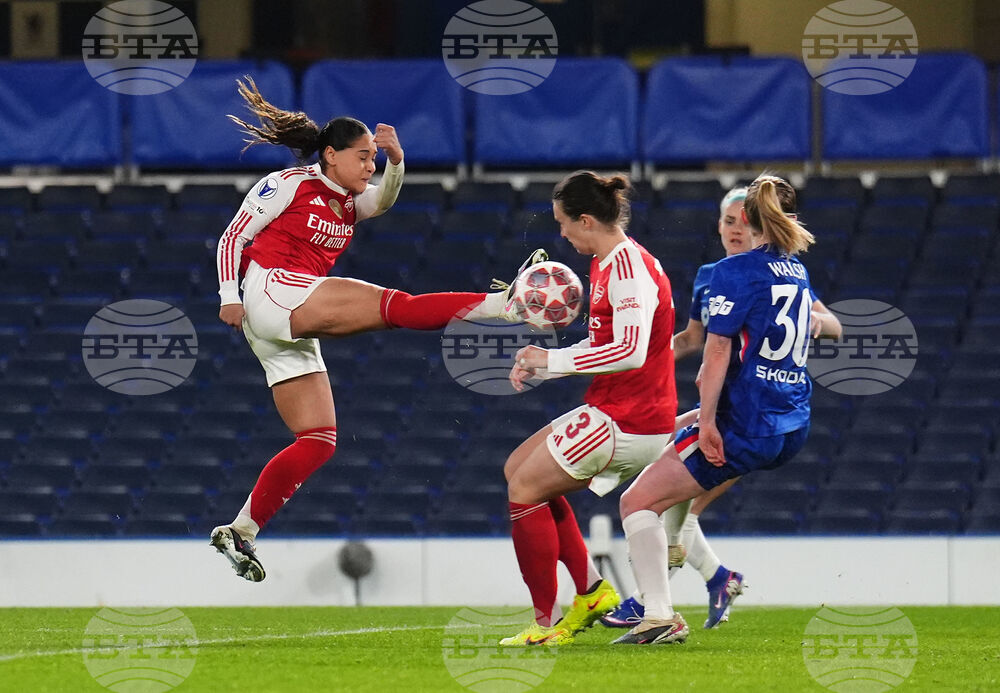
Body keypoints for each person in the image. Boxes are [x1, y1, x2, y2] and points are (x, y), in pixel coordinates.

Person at [209, 78, 544, 582]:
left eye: (372, 158)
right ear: (330, 155)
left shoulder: (348, 198)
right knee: (396, 306)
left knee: (318, 439)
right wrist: (229, 295)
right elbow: (234, 235)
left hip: (285, 318)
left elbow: (382, 201)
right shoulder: (291, 184)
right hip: (273, 290)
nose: (369, 165)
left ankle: (241, 530)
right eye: (363, 156)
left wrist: (396, 161)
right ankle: (505, 304)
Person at [603, 186, 843, 631]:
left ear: (758, 223)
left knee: (640, 500)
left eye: (743, 220)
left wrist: (709, 420)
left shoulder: (738, 273)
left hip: (745, 420)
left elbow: (716, 354)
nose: (736, 229)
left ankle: (655, 609)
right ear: (718, 224)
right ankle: (706, 578)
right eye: (728, 221)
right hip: (787, 418)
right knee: (670, 472)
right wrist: (634, 361)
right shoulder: (791, 270)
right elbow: (694, 341)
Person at [498, 170, 677, 646]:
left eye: (564, 224)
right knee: (518, 469)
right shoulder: (607, 263)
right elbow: (610, 346)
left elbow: (631, 350)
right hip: (615, 407)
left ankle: (545, 623)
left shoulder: (626, 267)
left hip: (631, 418)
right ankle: (591, 592)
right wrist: (542, 367)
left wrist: (552, 359)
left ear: (586, 220)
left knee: (523, 490)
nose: (561, 234)